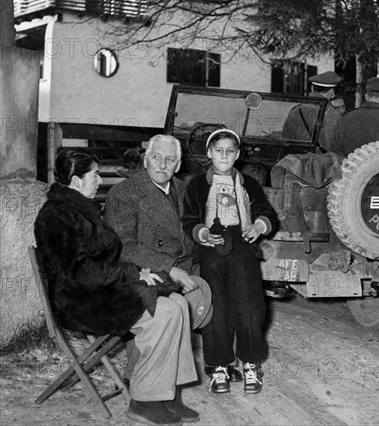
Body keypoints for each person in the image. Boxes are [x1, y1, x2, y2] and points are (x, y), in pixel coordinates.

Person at [34, 150, 198, 426]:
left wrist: (139, 272)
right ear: (75, 181)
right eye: (94, 175)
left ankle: (167, 393)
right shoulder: (56, 217)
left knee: (179, 304)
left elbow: (102, 260)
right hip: (78, 302)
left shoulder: (79, 208)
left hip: (100, 290)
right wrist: (131, 275)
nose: (99, 180)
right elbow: (79, 274)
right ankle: (144, 400)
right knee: (165, 312)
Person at [104, 134, 243, 382]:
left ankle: (219, 361)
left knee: (226, 281)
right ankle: (139, 372)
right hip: (144, 272)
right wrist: (169, 267)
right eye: (156, 157)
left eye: (170, 160)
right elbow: (123, 247)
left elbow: (203, 228)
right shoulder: (123, 193)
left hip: (189, 264)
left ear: (178, 165)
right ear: (146, 160)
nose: (162, 165)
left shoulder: (187, 188)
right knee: (164, 299)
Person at [182, 129, 278, 395]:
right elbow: (189, 218)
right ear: (210, 153)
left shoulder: (249, 183)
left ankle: (250, 363)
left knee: (249, 307)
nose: (224, 155)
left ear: (237, 155)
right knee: (215, 309)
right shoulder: (197, 184)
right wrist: (202, 232)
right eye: (218, 150)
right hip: (211, 249)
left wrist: (259, 225)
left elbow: (265, 210)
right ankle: (218, 366)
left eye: (229, 151)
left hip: (243, 248)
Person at [331, 77, 379, 157]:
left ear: (366, 96)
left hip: (349, 168)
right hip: (378, 169)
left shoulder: (346, 118)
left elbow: (334, 153)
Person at [282, 70, 341, 152]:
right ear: (331, 92)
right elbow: (333, 148)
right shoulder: (331, 114)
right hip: (318, 163)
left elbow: (285, 140)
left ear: (312, 88)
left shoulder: (296, 111)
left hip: (296, 162)